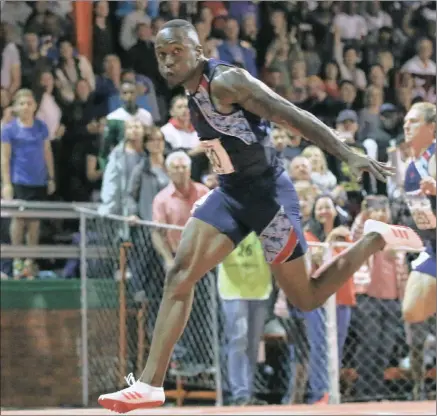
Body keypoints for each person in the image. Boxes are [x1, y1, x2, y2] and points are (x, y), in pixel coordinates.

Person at [98, 19, 423, 413]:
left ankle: (373, 239)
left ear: (198, 52)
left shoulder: (226, 81)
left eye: (176, 53)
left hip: (269, 198)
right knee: (179, 273)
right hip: (231, 194)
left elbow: (291, 114)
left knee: (307, 297)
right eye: (161, 55)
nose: (167, 62)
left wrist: (346, 152)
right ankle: (150, 385)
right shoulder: (189, 91)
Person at [401, 102, 436, 399]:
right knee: (412, 311)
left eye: (413, 121)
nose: (406, 125)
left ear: (432, 127)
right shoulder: (411, 165)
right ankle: (418, 387)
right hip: (433, 247)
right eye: (405, 121)